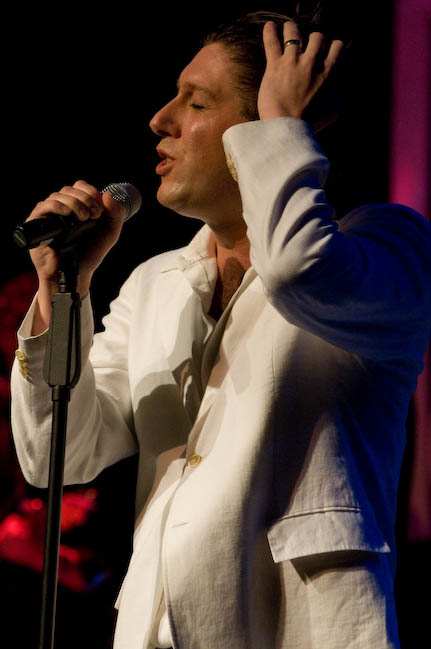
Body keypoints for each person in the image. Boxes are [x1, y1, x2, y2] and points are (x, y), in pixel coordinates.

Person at [10, 8, 431, 649]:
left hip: (298, 629)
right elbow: (55, 456)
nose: (160, 119)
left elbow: (296, 270)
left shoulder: (385, 246)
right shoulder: (155, 281)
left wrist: (285, 124)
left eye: (197, 102)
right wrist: (62, 288)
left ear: (275, 124)